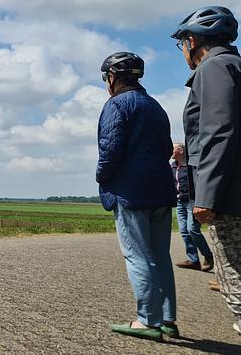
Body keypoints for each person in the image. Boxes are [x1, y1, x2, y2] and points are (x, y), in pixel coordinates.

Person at [96, 52, 178, 341]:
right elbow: (166, 149)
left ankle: (147, 321)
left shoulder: (116, 105)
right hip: (161, 189)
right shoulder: (155, 106)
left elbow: (110, 149)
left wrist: (102, 176)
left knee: (137, 255)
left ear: (112, 77)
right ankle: (167, 319)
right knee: (160, 255)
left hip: (130, 191)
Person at [172, 5, 241, 335]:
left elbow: (218, 132)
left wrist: (207, 196)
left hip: (229, 195)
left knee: (234, 271)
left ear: (193, 41)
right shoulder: (234, 65)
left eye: (182, 43)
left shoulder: (214, 68)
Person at [171, 142, 214, 272]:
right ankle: (193, 260)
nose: (170, 150)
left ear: (181, 151)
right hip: (179, 202)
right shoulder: (173, 166)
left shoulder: (191, 166)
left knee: (192, 229)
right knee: (184, 231)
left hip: (192, 201)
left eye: (173, 148)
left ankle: (208, 256)